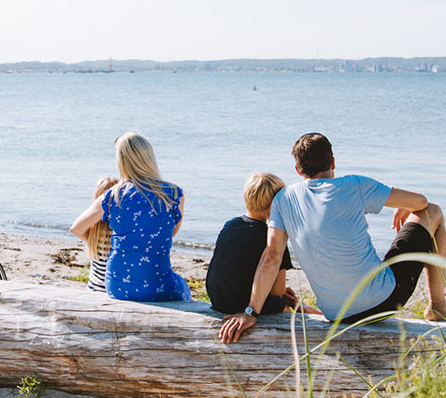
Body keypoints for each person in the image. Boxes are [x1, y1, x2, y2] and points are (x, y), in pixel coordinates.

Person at [218, 133, 446, 343]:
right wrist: (404, 205)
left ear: (298, 170)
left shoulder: (283, 199)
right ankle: (437, 307)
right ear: (333, 162)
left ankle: (436, 307)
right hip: (383, 302)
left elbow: (272, 256)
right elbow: (422, 204)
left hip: (336, 314)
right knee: (434, 211)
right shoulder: (355, 184)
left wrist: (251, 312)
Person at [70, 132, 190, 302]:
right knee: (182, 287)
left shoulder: (113, 195)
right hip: (158, 284)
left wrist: (100, 242)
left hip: (116, 284)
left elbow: (76, 228)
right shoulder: (173, 194)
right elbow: (170, 234)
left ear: (122, 161)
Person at [205, 172, 316, 316]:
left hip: (218, 299)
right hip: (243, 305)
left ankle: (304, 309)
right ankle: (305, 312)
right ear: (273, 206)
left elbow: (234, 265)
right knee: (286, 310)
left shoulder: (230, 225)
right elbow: (277, 293)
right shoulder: (273, 238)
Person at [81, 176, 119, 292]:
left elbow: (76, 230)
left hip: (94, 289)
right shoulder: (120, 232)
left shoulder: (93, 232)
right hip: (115, 291)